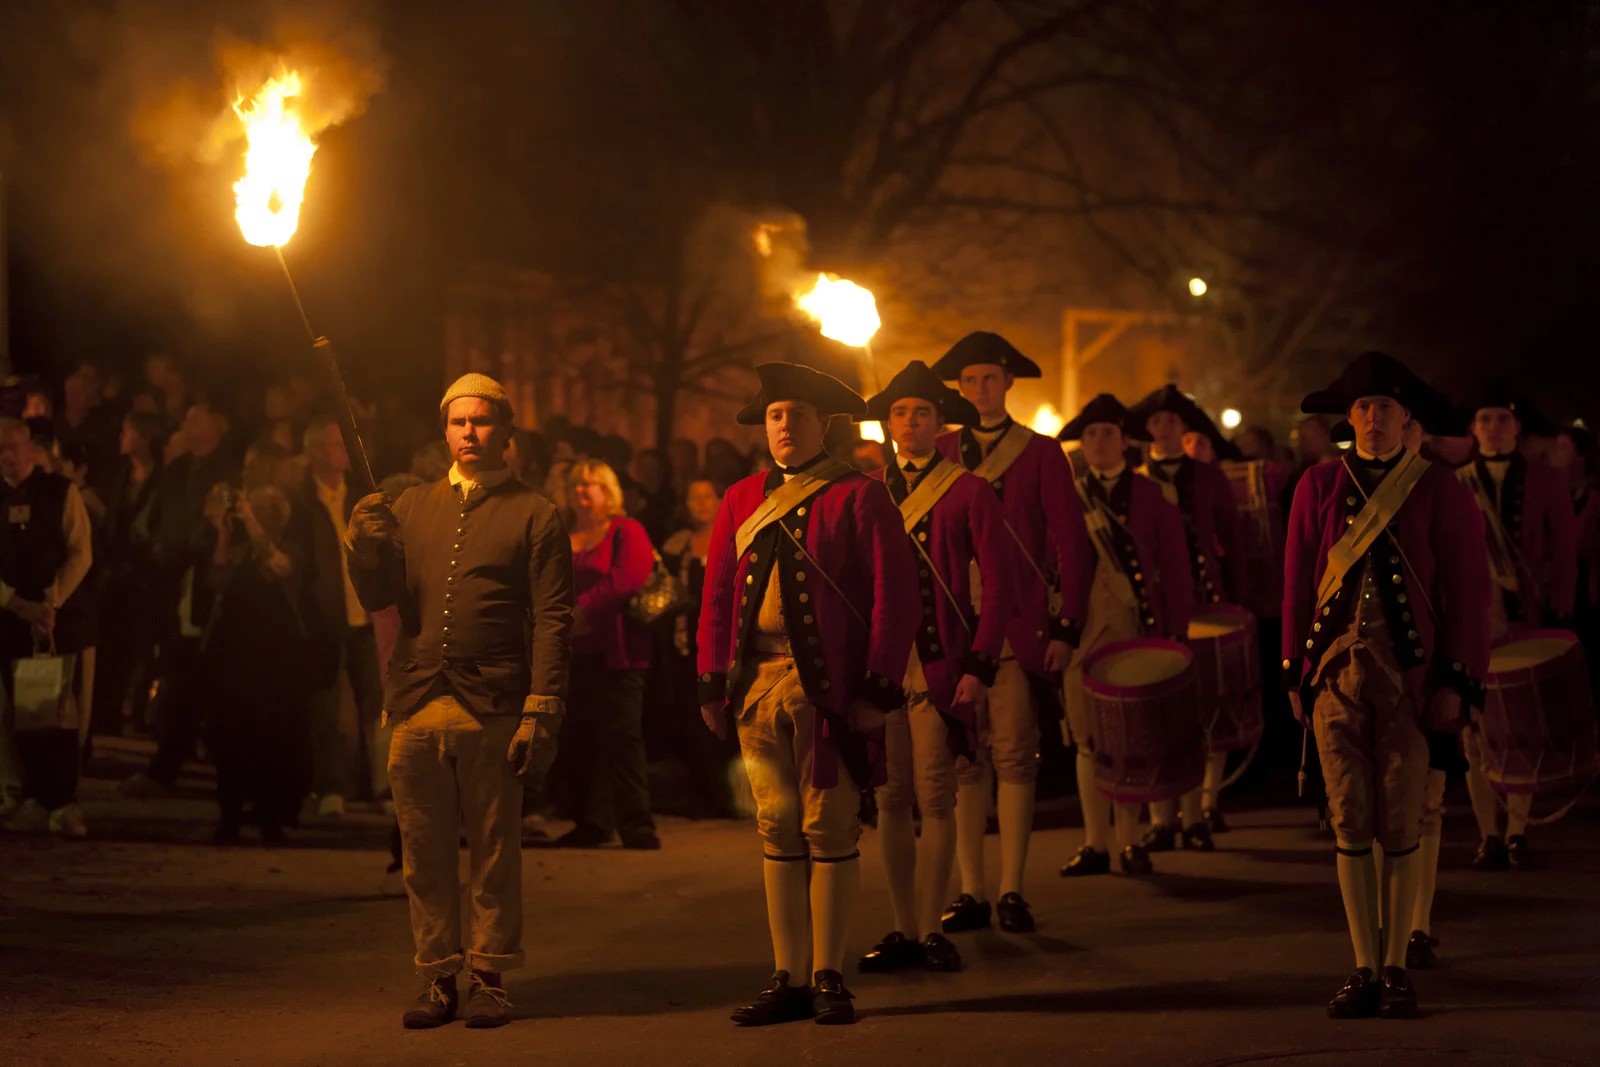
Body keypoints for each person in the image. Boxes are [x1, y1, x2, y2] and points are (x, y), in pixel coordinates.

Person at [345, 372, 573, 1029]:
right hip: (416, 700)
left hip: (495, 702)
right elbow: (379, 594)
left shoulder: (536, 512)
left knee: (496, 851)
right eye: (456, 422)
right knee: (424, 853)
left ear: (505, 431)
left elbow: (554, 617)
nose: (468, 433)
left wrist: (541, 706)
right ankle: (438, 976)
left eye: (480, 421)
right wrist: (362, 544)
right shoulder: (412, 504)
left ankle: (490, 977)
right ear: (444, 430)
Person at [696, 360, 918, 1027]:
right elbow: (716, 594)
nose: (784, 424)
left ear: (824, 423)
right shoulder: (740, 499)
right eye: (774, 414)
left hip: (827, 691)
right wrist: (712, 679)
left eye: (795, 412)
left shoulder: (861, 494)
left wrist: (877, 686)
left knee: (830, 827)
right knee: (775, 827)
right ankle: (787, 974)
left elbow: (895, 599)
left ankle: (828, 973)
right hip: (757, 685)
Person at [1284, 351, 1490, 1019]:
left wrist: (1458, 679)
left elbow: (1468, 595)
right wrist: (1295, 668)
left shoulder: (1440, 489)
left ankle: (1398, 965)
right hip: (1333, 677)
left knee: (1401, 820)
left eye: (1387, 408)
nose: (1374, 418)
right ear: (1349, 417)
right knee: (1349, 817)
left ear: (1408, 420)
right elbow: (1294, 586)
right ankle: (1363, 965)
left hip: (1412, 680)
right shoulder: (1317, 485)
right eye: (1364, 407)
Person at [932, 331, 1093, 931]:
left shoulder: (1042, 452)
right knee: (964, 764)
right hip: (955, 623)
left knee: (1016, 758)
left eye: (989, 380)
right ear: (958, 387)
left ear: (1007, 384)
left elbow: (1072, 544)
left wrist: (1067, 626)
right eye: (969, 381)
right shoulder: (940, 449)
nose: (979, 390)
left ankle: (1011, 888)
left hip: (1019, 624)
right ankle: (972, 889)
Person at [857, 362, 1012, 975]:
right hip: (882, 666)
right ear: (889, 423)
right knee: (891, 798)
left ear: (939, 422)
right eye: (900, 412)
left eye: (922, 412)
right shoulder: (867, 488)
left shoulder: (969, 489)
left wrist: (981, 661)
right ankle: (901, 926)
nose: (911, 422)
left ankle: (929, 926)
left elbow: (997, 584)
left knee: (936, 797)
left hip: (941, 661)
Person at [1054, 395, 1192, 875]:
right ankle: (1095, 843)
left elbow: (1174, 567)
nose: (1097, 442)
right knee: (1087, 741)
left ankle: (1130, 841)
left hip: (1138, 630)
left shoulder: (1152, 495)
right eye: (1090, 434)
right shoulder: (1068, 495)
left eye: (1107, 433)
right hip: (1080, 635)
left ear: (1125, 441)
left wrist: (1176, 633)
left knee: (1132, 740)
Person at [1454, 389, 1577, 874]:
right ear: (1473, 428)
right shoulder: (1457, 482)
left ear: (1516, 426)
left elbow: (1563, 548)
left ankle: (1518, 831)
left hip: (1525, 616)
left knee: (1520, 727)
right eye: (1484, 418)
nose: (1493, 426)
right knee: (1475, 731)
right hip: (1472, 621)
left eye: (1502, 418)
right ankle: (1488, 836)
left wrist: (1562, 608)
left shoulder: (1547, 479)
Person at [1128, 385, 1244, 850]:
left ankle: (1202, 808)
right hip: (1153, 605)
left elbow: (1232, 537)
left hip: (1205, 599)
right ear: (1149, 429)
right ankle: (1162, 817)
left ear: (1183, 427)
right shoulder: (1136, 479)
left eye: (1173, 422)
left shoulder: (1209, 477)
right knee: (1158, 709)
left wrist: (1234, 596)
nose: (1165, 428)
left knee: (1206, 706)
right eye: (1158, 422)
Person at [120, 398, 238, 797]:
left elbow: (218, 524)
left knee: (209, 685)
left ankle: (221, 777)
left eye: (194, 418)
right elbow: (165, 517)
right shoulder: (180, 469)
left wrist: (194, 549)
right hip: (175, 585)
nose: (186, 424)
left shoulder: (229, 469)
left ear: (213, 426)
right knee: (179, 680)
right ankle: (168, 767)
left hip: (210, 585)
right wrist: (161, 552)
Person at [199, 474, 320, 845]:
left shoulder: (294, 549)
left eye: (262, 510)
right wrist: (222, 531)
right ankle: (230, 817)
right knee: (230, 740)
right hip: (231, 657)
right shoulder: (239, 549)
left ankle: (270, 819)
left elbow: (277, 567)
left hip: (275, 661)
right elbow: (214, 579)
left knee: (271, 741)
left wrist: (249, 519)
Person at [552, 457, 659, 849]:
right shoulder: (563, 532)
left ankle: (636, 822)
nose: (581, 491)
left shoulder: (626, 530)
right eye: (576, 485)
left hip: (619, 652)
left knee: (622, 736)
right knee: (579, 736)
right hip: (572, 651)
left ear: (607, 491)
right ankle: (590, 821)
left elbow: (628, 577)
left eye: (590, 485)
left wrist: (581, 610)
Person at [0, 417, 94, 836]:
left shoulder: (60, 491)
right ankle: (37, 797)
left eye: (14, 445)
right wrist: (17, 604)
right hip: (10, 621)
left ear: (30, 447)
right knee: (23, 714)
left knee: (54, 714)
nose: (8, 454)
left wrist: (49, 602)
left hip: (55, 621)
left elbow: (80, 552)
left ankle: (62, 801)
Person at [302, 416, 384, 817]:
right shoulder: (303, 499)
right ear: (316, 450)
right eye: (336, 445)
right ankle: (329, 786)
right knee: (324, 705)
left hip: (364, 615)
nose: (343, 453)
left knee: (377, 702)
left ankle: (381, 788)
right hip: (323, 619)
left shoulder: (361, 496)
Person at [658, 476, 742, 819]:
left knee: (726, 717)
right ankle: (705, 791)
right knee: (693, 719)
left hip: (723, 644)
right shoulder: (677, 544)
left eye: (708, 496)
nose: (702, 504)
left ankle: (733, 795)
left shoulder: (733, 536)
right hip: (685, 645)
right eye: (694, 497)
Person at [90, 412, 165, 738]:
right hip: (115, 572)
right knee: (110, 646)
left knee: (139, 647)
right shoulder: (118, 474)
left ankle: (134, 710)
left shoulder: (162, 477)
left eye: (128, 432)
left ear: (143, 438)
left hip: (144, 576)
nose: (122, 437)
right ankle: (105, 712)